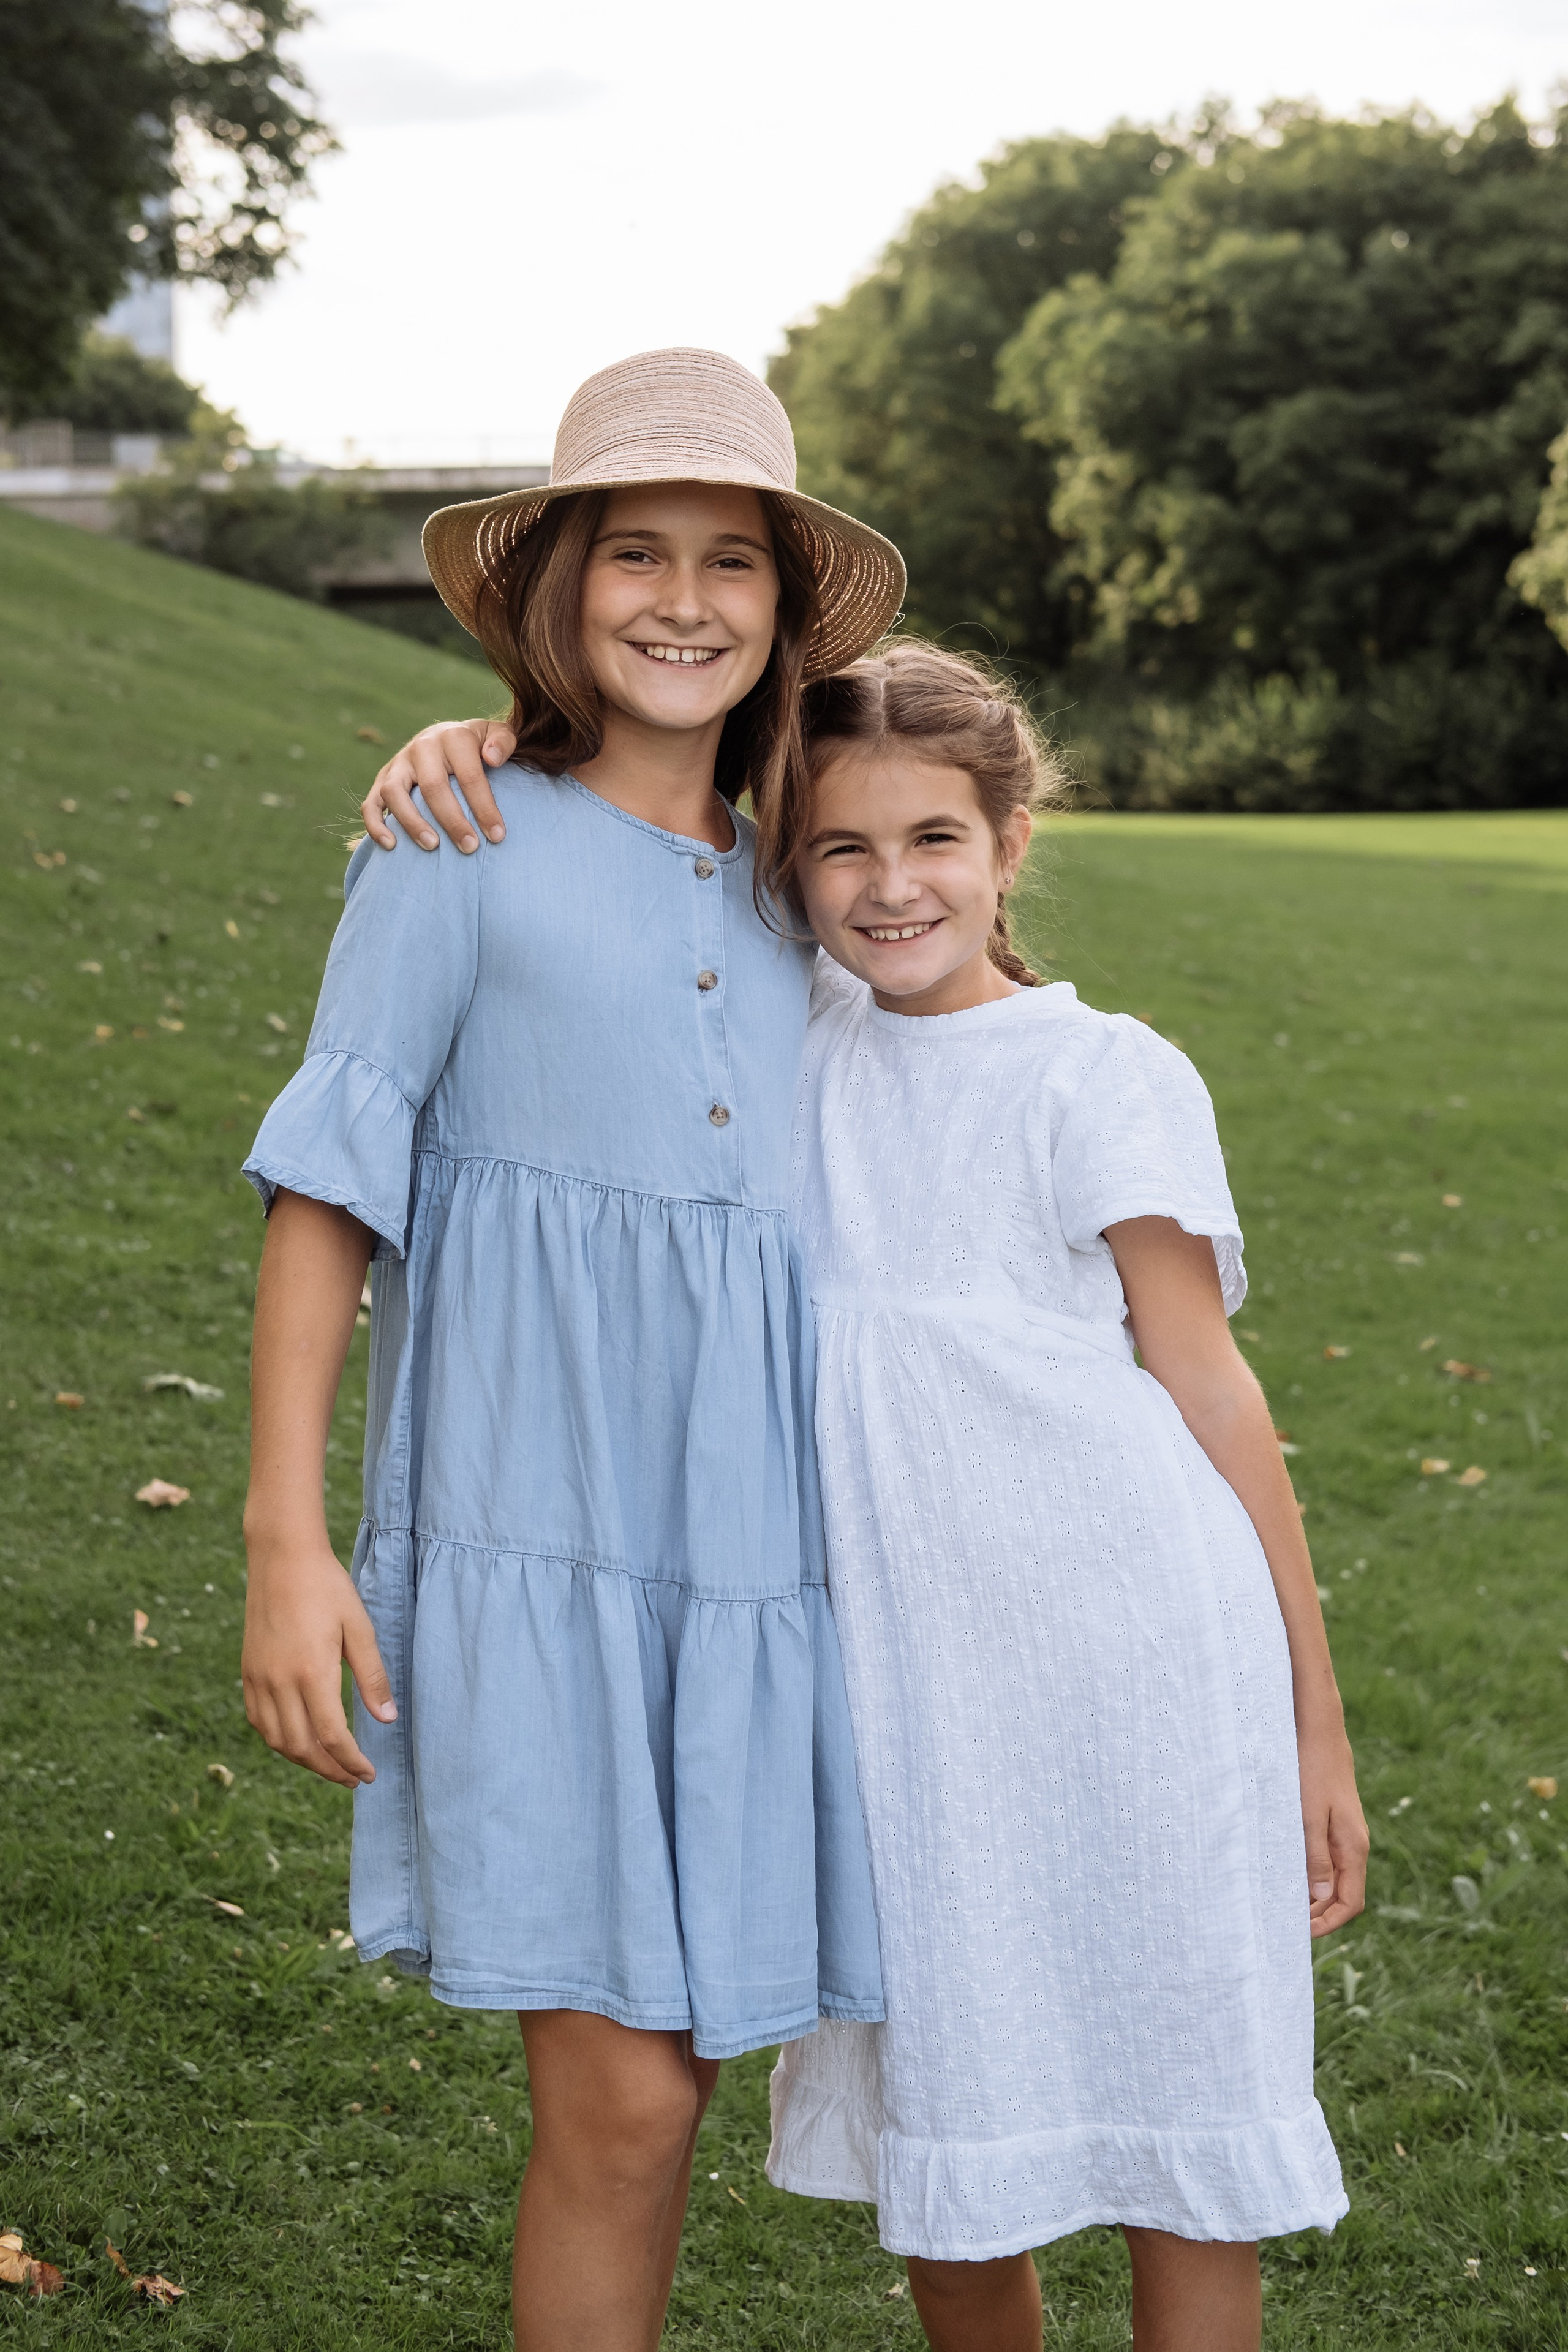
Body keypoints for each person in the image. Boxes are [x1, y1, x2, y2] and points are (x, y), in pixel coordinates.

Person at [367, 642, 1368, 2352]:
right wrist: (480, 746)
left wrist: (1311, 1719)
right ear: (788, 866)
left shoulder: (1099, 1070)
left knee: (1180, 2119)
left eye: (934, 842)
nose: (891, 886)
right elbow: (630, 853)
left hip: (1136, 1656)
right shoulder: (783, 1029)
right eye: (841, 849)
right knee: (955, 2123)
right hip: (904, 1685)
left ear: (1009, 846)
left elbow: (1209, 1383)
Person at [239, 347, 902, 2352]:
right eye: (637, 552)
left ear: (784, 618)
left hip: (771, 1561)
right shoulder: (456, 842)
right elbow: (330, 1188)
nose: (683, 600)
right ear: (558, 587)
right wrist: (285, 1537)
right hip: (542, 1535)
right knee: (617, 2102)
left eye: (733, 564)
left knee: (685, 2090)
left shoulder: (808, 883)